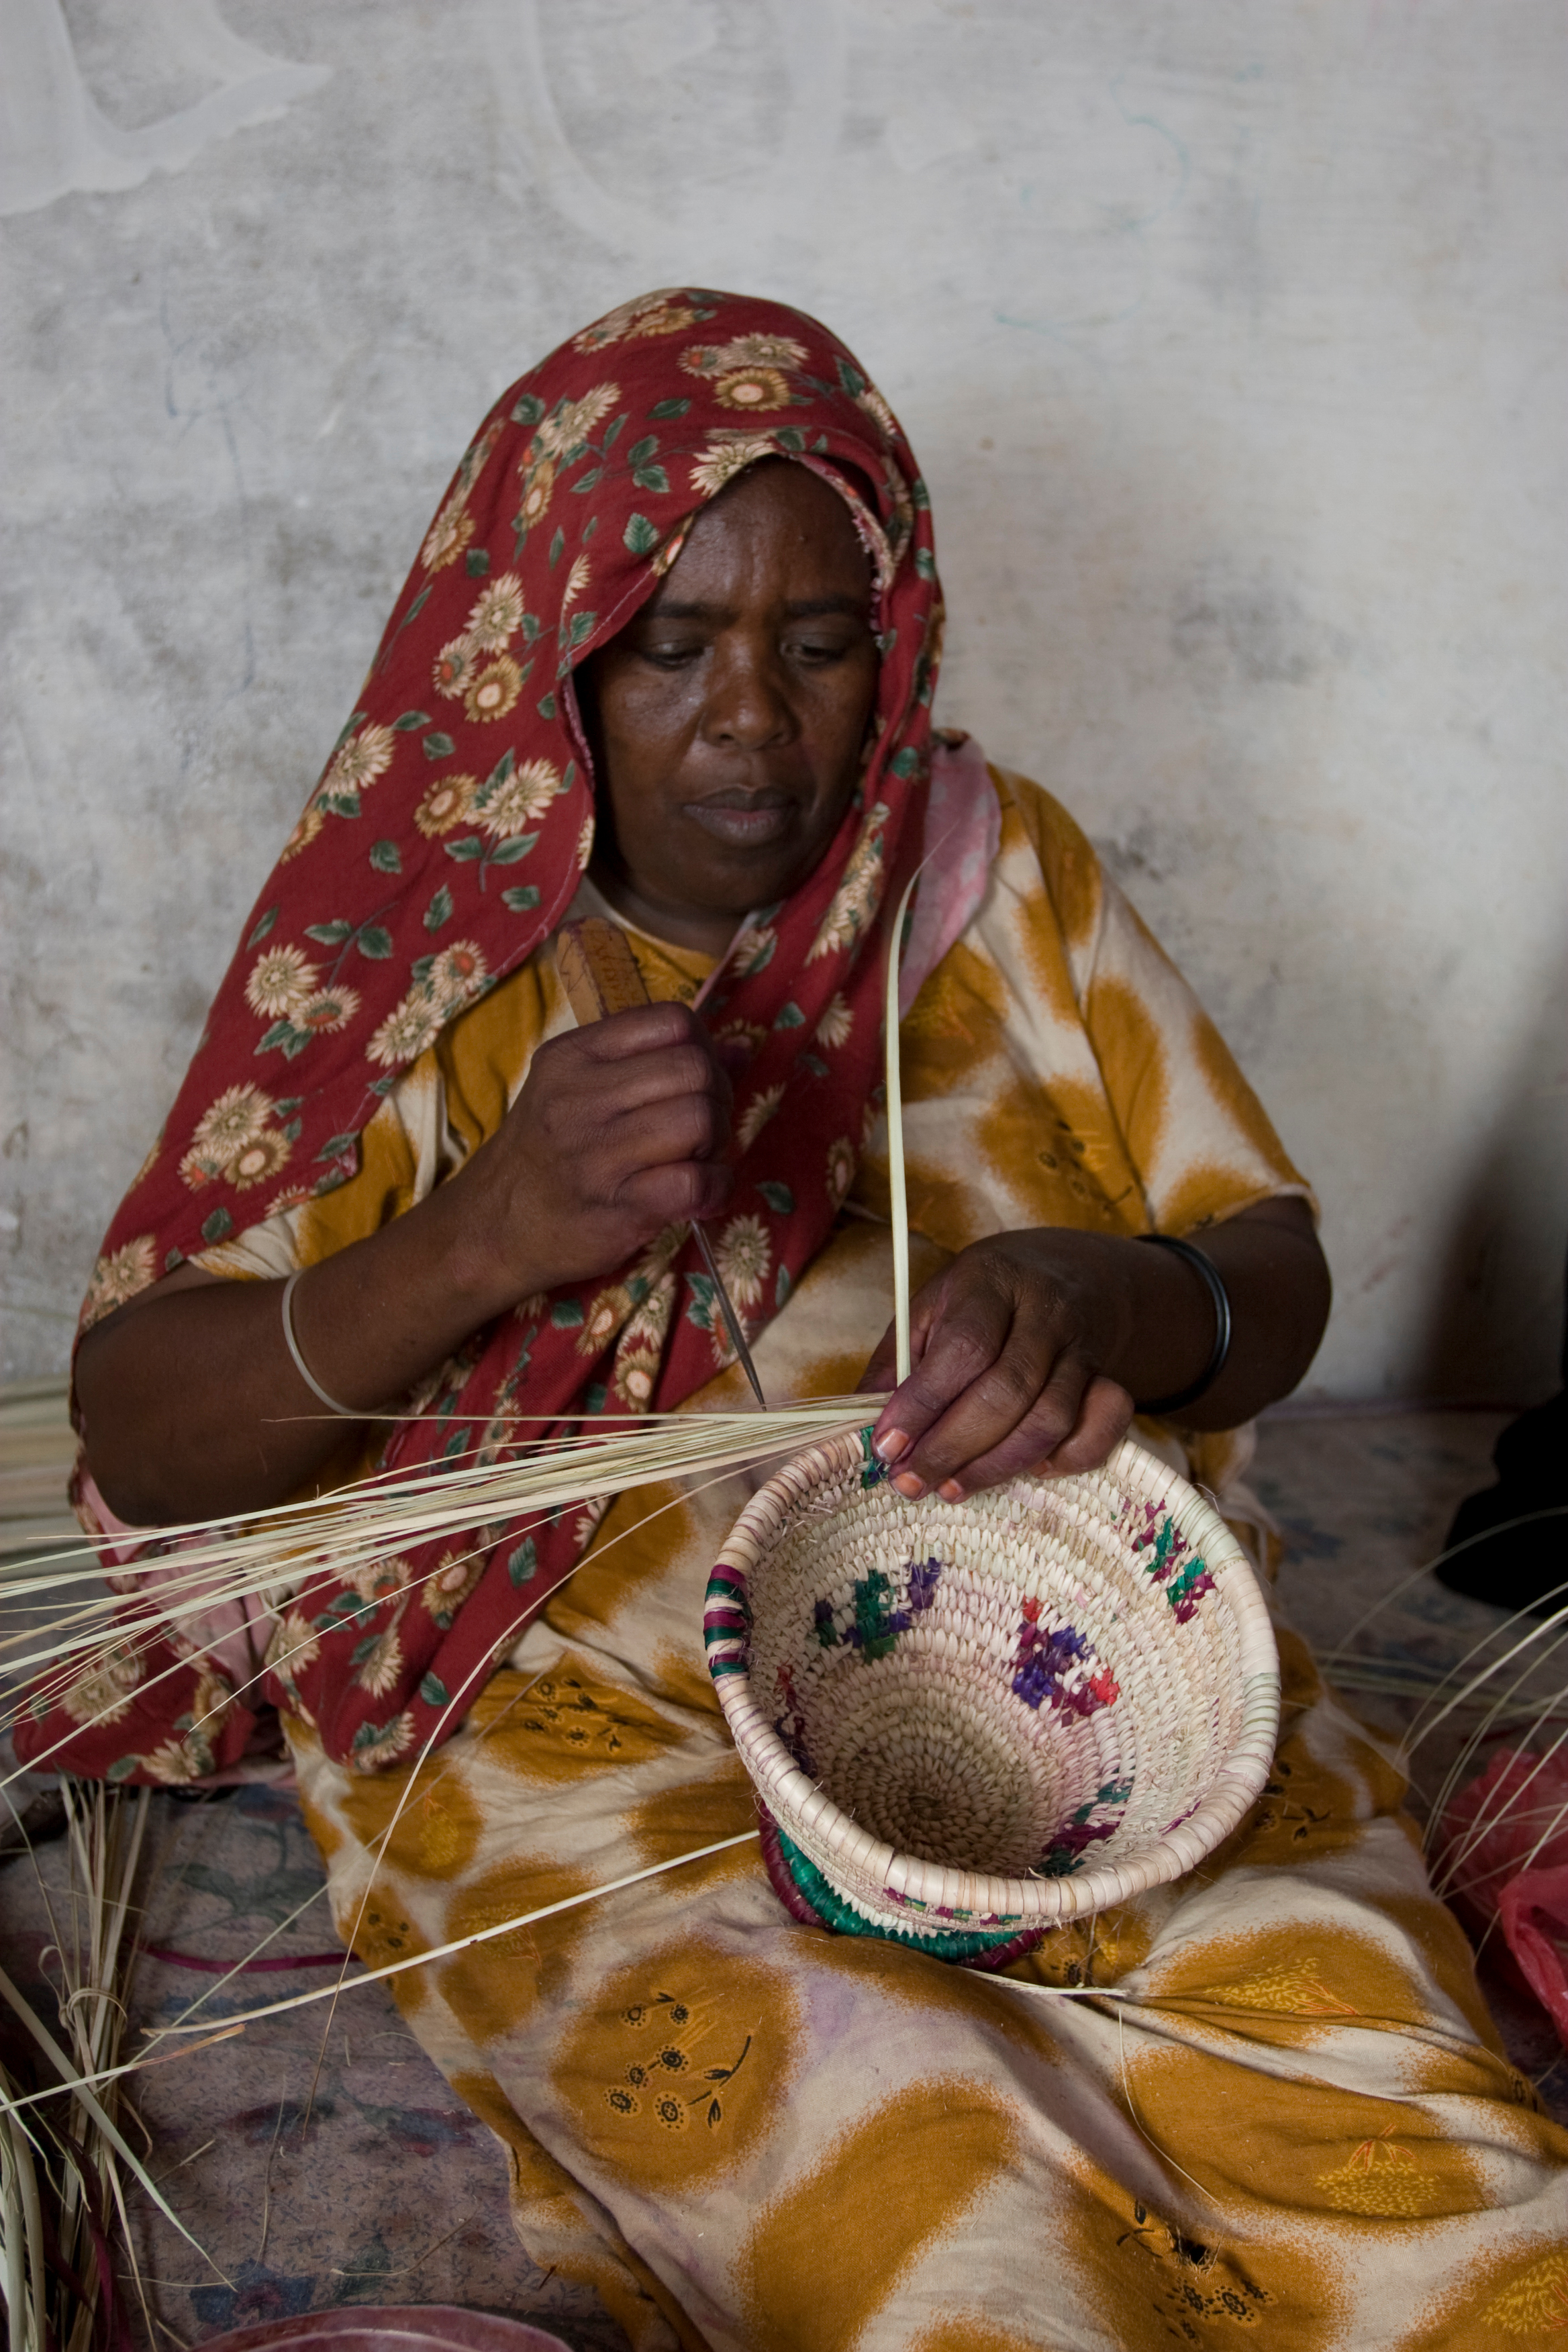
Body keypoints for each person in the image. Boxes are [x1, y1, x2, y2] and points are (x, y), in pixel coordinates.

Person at [21, 291, 1565, 2348]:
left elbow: (1260, 1276)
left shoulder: (990, 876)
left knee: (1424, 2156)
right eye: (670, 644)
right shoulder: (418, 950)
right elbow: (140, 1427)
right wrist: (477, 1239)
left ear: (895, 636)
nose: (752, 717)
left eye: (820, 644)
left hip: (1064, 1667)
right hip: (585, 1731)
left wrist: (1121, 1297)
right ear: (548, 648)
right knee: (919, 2207)